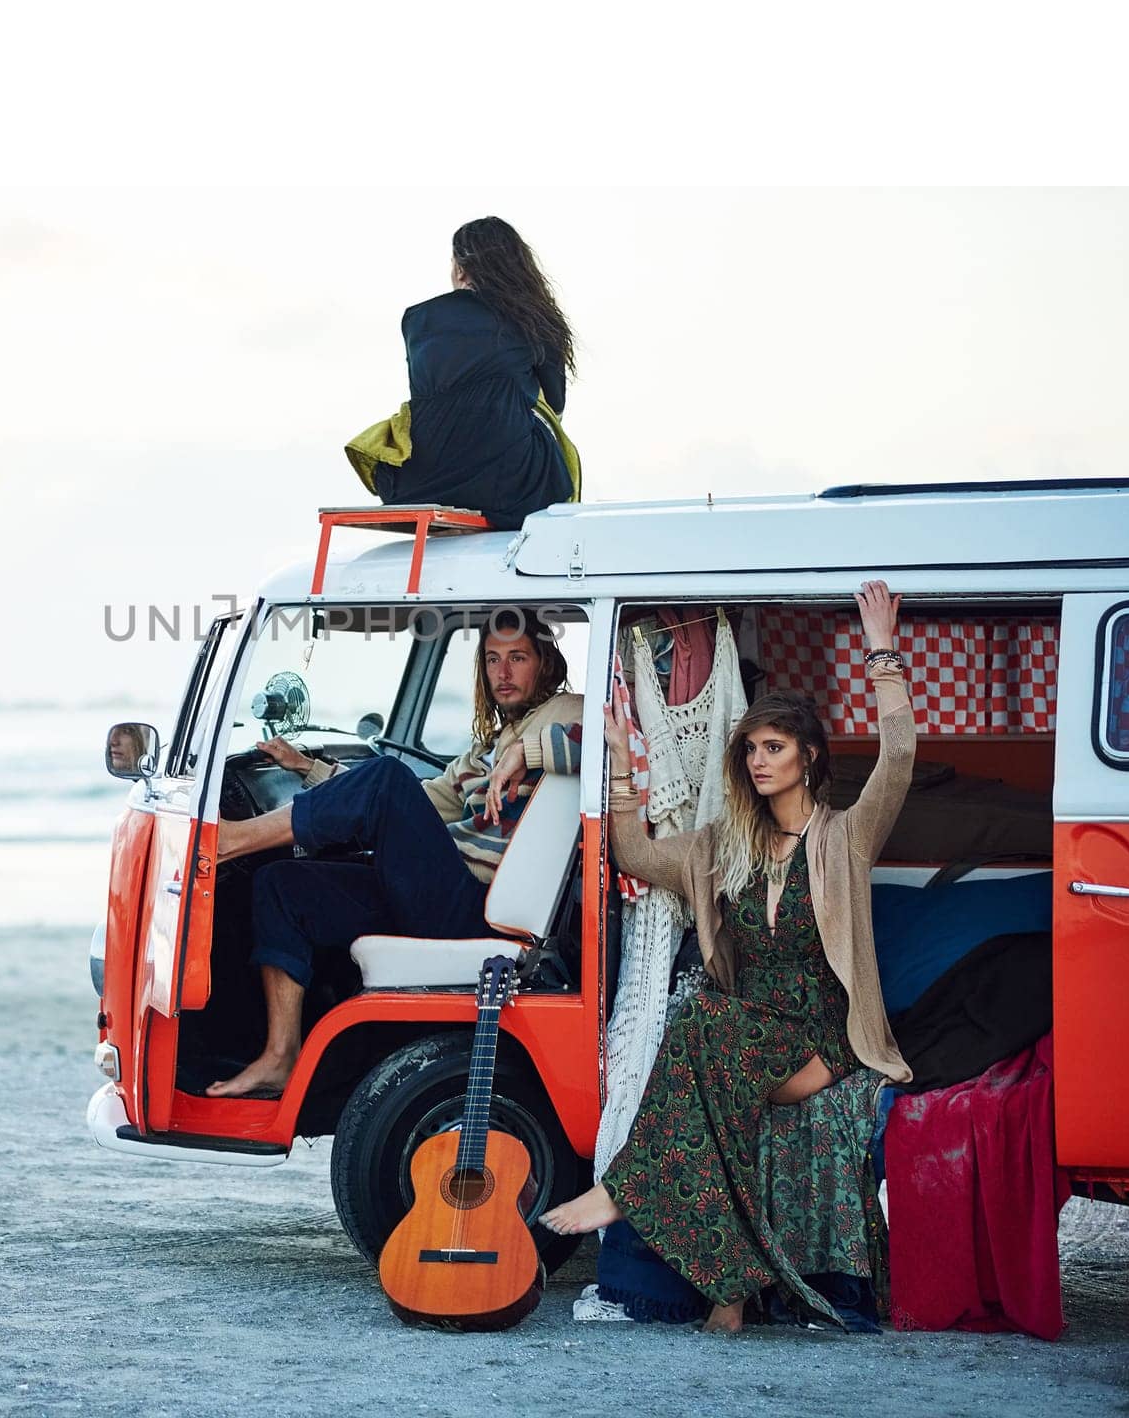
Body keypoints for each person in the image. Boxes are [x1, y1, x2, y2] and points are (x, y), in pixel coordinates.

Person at [540, 582, 914, 1333]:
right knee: (705, 1028)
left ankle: (631, 1197)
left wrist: (881, 651)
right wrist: (619, 761)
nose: (757, 761)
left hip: (822, 1038)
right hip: (748, 1032)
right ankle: (730, 1290)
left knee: (701, 1023)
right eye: (749, 750)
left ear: (809, 756)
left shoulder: (846, 837)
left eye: (773, 748)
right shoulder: (723, 848)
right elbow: (636, 854)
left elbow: (899, 753)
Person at [206, 610, 583, 1098]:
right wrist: (307, 767)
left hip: (477, 907)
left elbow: (609, 743)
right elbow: (419, 804)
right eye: (492, 660)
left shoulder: (569, 710)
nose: (503, 673)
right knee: (282, 885)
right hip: (437, 891)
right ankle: (280, 1055)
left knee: (386, 776)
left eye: (517, 658)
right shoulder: (484, 748)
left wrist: (528, 753)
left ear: (545, 664)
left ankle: (230, 839)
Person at [373, 217, 577, 530]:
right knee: (549, 434)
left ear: (460, 269)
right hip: (510, 484)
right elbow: (556, 404)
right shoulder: (535, 316)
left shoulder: (417, 318)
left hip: (422, 481)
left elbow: (430, 394)